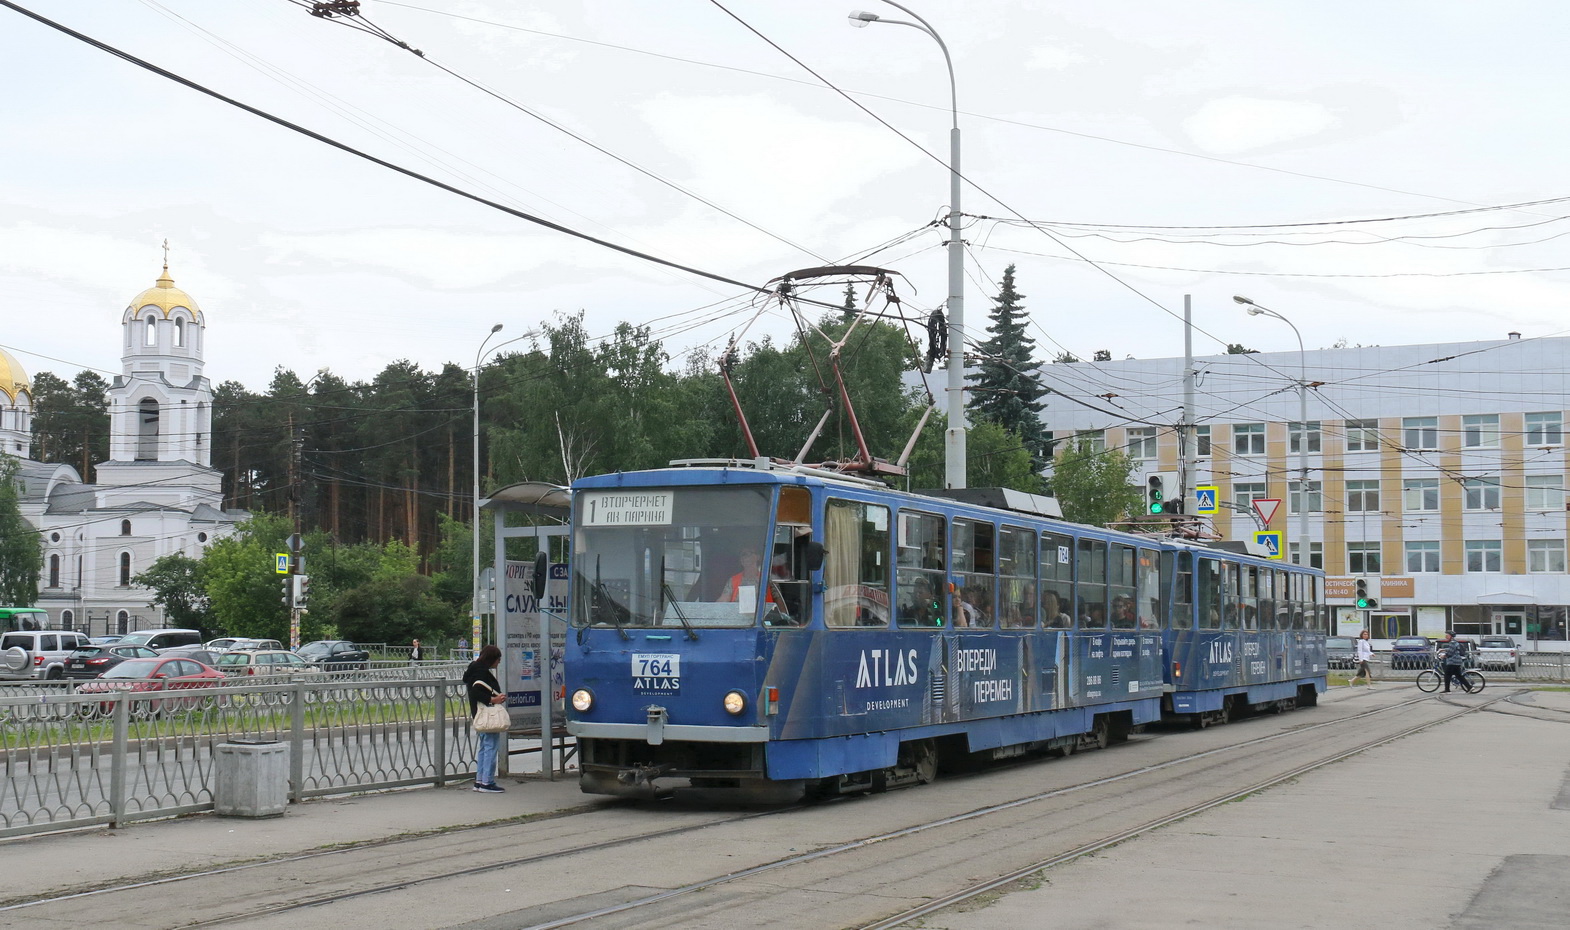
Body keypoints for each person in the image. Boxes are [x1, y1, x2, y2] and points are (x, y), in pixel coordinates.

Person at [464, 644, 507, 793]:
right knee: (490, 746)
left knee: (484, 746)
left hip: (479, 713)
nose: (499, 662)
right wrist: (493, 699)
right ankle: (486, 782)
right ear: (491, 658)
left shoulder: (474, 669)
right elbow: (476, 692)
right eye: (498, 658)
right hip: (487, 713)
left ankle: (480, 780)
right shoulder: (481, 672)